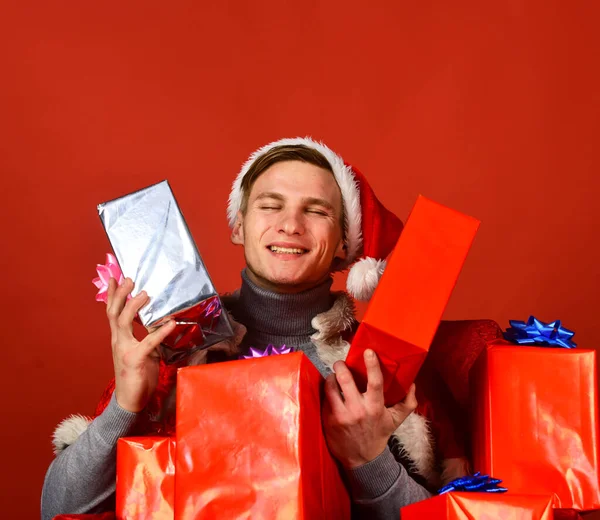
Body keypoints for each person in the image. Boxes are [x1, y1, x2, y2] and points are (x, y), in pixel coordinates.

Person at [41, 137, 436, 520]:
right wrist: (124, 407)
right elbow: (56, 509)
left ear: (341, 244)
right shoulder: (177, 354)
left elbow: (441, 512)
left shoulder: (375, 369)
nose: (290, 225)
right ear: (238, 226)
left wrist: (369, 459)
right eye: (270, 205)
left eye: (316, 211)